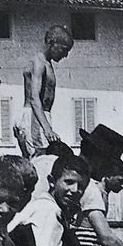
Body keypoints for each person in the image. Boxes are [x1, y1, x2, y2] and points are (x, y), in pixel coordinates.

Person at [8, 153, 90, 246]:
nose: (75, 190)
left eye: (81, 186)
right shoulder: (50, 210)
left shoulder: (40, 203)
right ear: (52, 181)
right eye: (69, 182)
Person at [14, 25, 74, 158]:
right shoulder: (39, 63)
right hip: (35, 117)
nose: (65, 55)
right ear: (52, 43)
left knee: (43, 159)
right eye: (63, 50)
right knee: (38, 160)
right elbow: (34, 98)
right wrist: (47, 128)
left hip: (41, 117)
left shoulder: (46, 63)